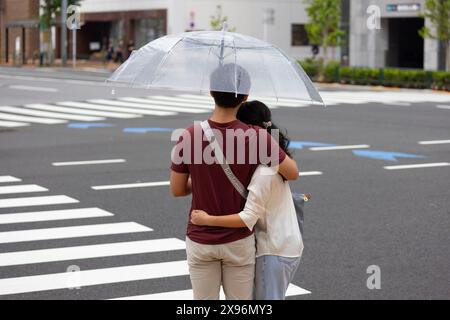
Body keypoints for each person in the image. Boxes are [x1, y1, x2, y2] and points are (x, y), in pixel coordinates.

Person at [170, 64, 299, 300]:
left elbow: (177, 190)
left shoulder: (189, 135)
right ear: (246, 96)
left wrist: (201, 180)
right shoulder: (257, 136)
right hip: (238, 240)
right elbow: (292, 173)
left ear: (211, 91)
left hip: (201, 238)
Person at [190, 100, 304, 300]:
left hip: (273, 248)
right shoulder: (274, 161)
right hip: (284, 245)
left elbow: (248, 217)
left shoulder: (264, 172)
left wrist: (207, 220)